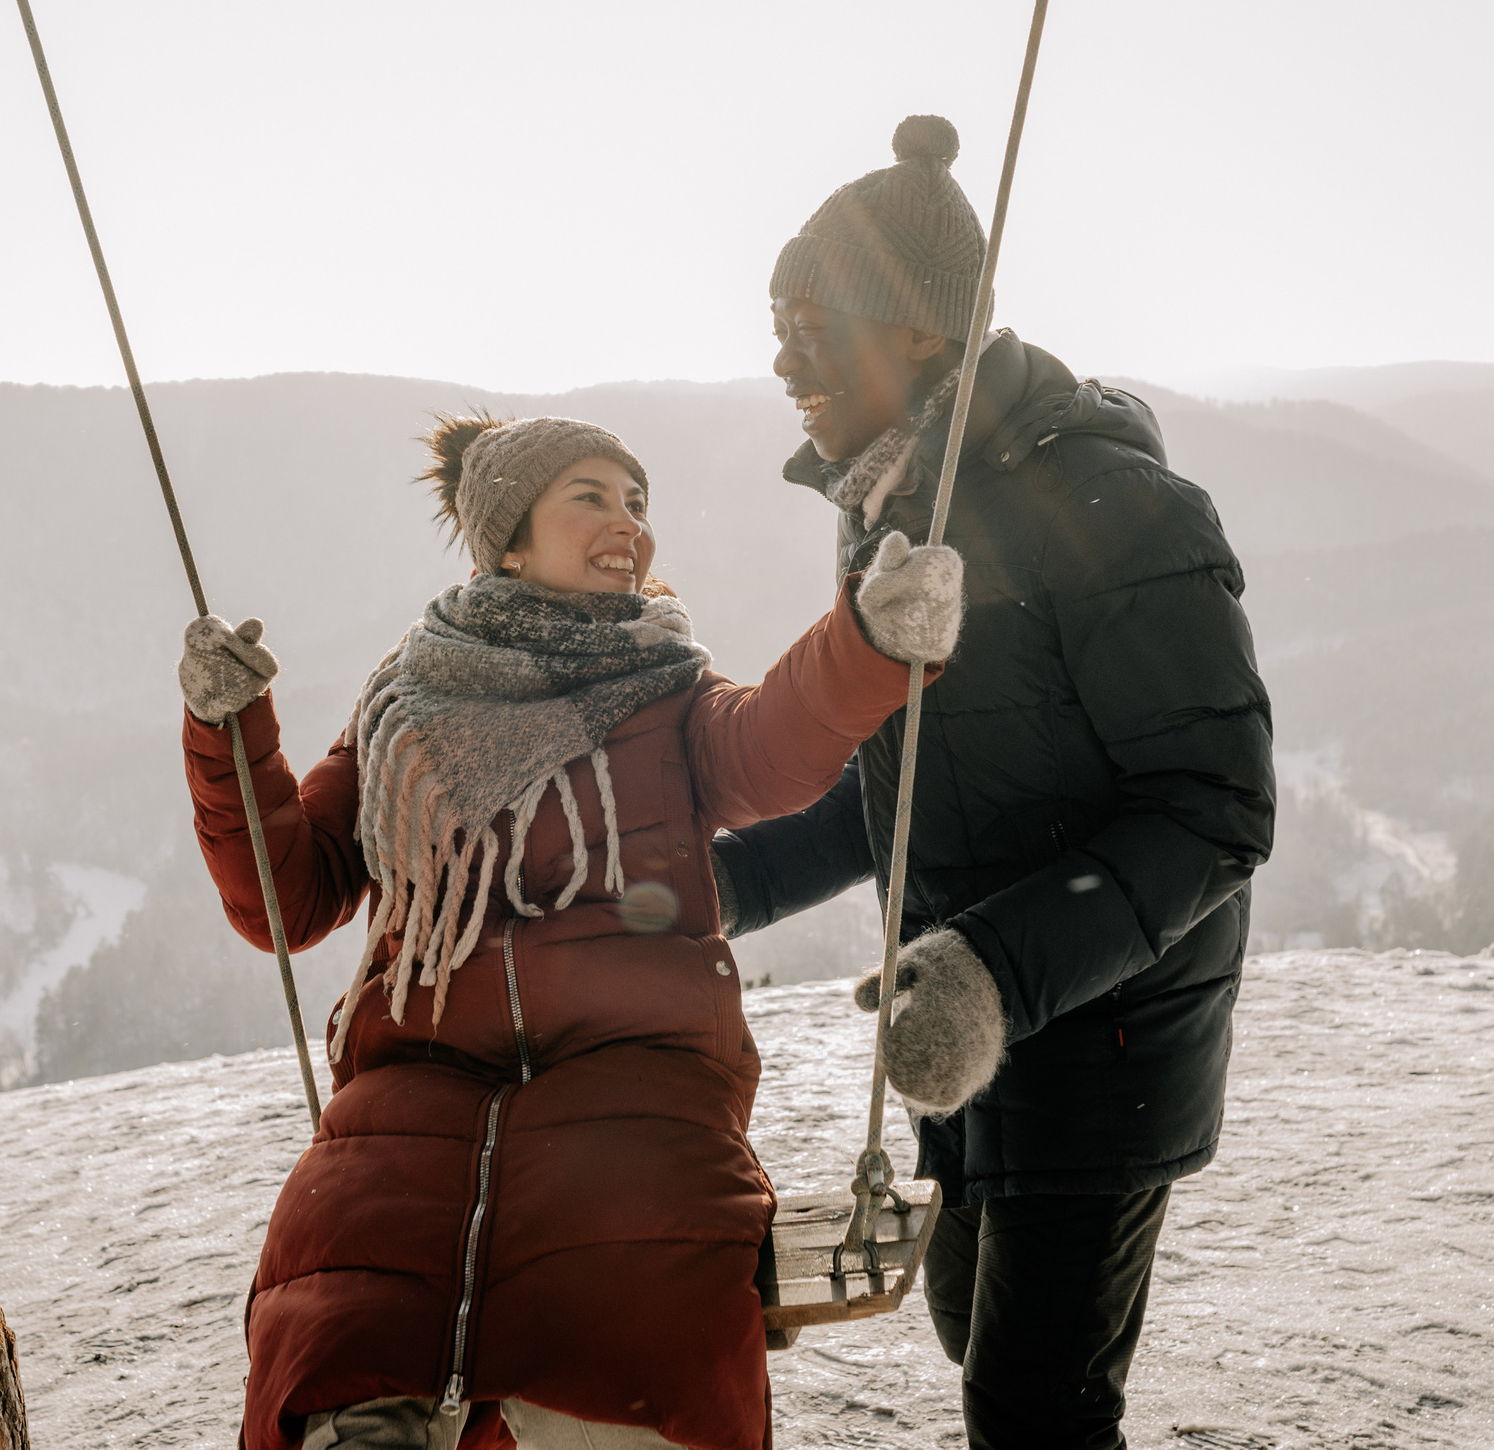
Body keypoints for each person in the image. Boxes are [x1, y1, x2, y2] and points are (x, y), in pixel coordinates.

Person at [176, 412, 964, 1450]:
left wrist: (864, 646)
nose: (627, 524)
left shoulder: (668, 690)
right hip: (409, 1097)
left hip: (637, 1086)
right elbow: (285, 899)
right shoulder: (405, 711)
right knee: (338, 1322)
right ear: (508, 540)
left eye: (637, 502)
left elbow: (770, 744)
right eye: (590, 498)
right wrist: (227, 733)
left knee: (636, 1339)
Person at [711, 115, 1277, 1450]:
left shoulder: (1114, 506)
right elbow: (901, 781)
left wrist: (988, 976)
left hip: (1105, 1040)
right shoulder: (893, 506)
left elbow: (1215, 807)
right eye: (776, 325)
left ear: (918, 332)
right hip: (972, 1037)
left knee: (1031, 1411)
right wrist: (711, 886)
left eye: (812, 325)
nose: (782, 360)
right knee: (971, 1327)